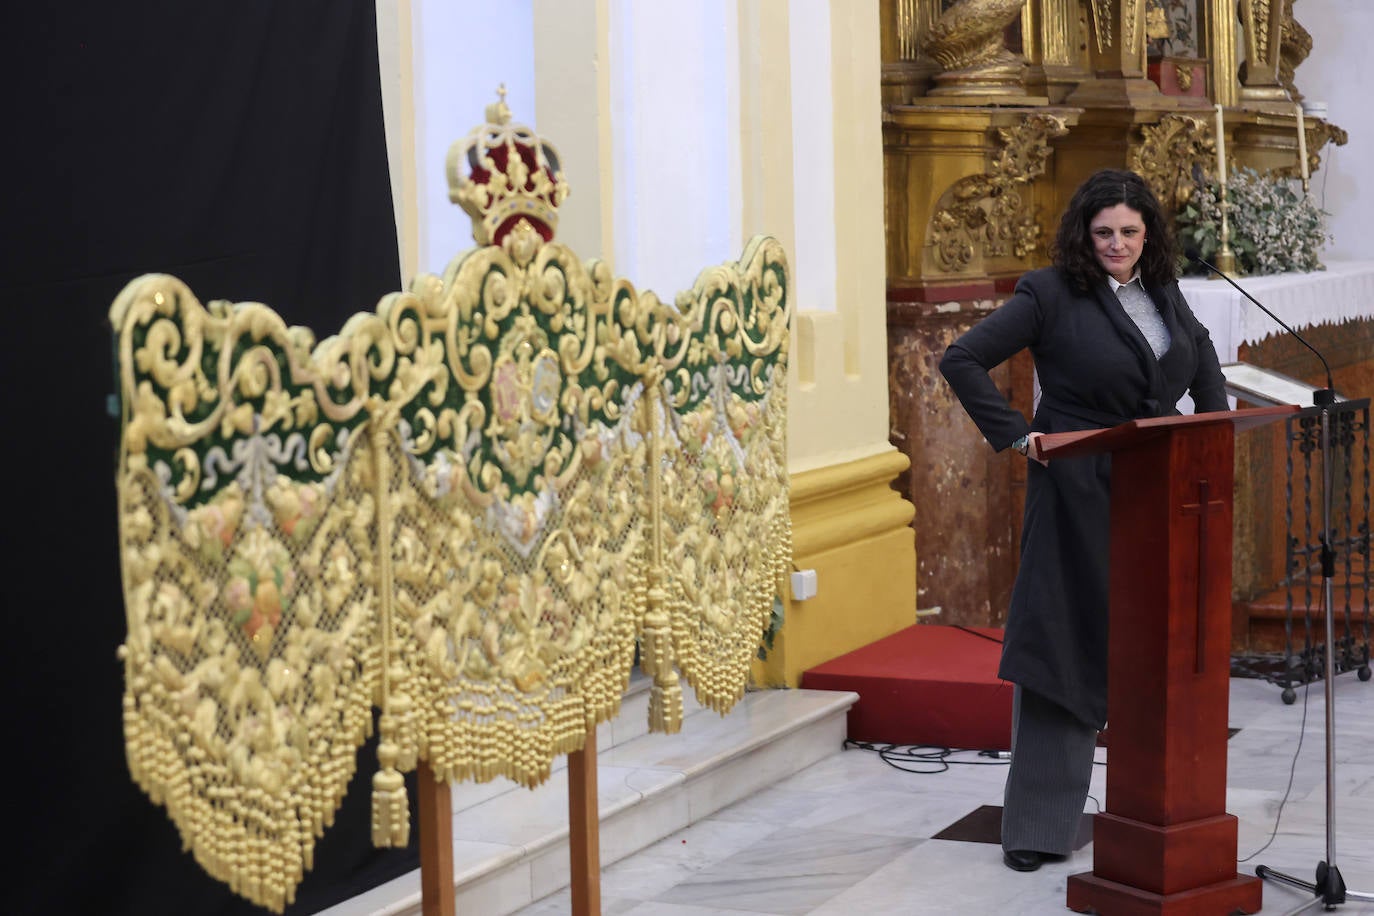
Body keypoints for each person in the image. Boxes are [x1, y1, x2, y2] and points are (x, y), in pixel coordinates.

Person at [939, 168, 1228, 873]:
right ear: (1083, 234)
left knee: (1155, 652)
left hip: (1159, 490)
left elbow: (1198, 358)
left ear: (1149, 234)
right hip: (1077, 491)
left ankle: (1157, 812)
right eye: (1104, 233)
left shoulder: (1161, 291)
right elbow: (963, 358)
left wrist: (1213, 431)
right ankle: (1037, 828)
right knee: (1062, 648)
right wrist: (1017, 435)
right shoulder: (1048, 292)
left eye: (1130, 231)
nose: (1117, 244)